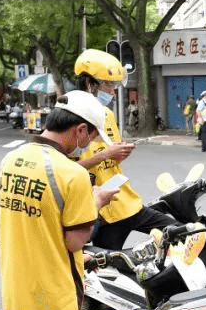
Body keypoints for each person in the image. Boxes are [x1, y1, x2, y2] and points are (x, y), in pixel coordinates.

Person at [0, 91, 118, 310]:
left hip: (17, 292)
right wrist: (95, 202)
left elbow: (32, 223)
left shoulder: (10, 160)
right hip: (52, 300)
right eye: (92, 138)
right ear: (81, 129)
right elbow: (74, 241)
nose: (88, 146)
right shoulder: (74, 174)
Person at [72, 48, 177, 250]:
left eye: (114, 85)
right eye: (108, 84)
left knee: (180, 233)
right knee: (105, 269)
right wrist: (106, 154)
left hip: (125, 200)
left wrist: (120, 153)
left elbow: (111, 158)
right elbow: (66, 170)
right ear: (89, 84)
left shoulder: (107, 115)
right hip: (101, 211)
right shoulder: (71, 120)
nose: (113, 91)